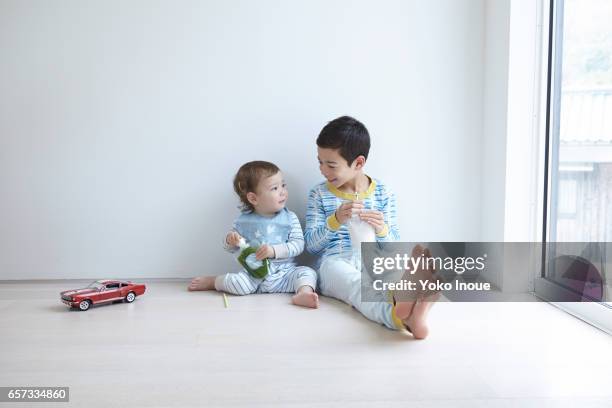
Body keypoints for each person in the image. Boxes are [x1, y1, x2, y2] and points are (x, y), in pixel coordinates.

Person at [304, 116, 437, 338]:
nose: (323, 170)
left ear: (358, 163)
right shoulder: (319, 194)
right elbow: (312, 246)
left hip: (374, 259)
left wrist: (382, 229)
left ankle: (413, 311)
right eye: (320, 162)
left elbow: (392, 247)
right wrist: (335, 220)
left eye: (331, 164)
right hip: (335, 263)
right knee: (359, 287)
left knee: (393, 274)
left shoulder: (383, 193)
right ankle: (401, 316)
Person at [188, 160, 319, 309]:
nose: (282, 191)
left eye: (283, 185)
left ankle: (303, 293)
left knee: (307, 272)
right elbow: (231, 248)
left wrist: (274, 251)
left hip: (284, 274)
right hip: (253, 275)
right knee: (238, 285)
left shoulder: (289, 218)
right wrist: (230, 240)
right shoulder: (243, 221)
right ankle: (214, 281)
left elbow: (298, 245)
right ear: (253, 198)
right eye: (275, 188)